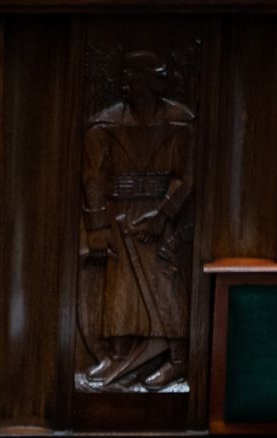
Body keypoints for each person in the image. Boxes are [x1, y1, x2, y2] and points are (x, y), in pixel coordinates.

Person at [80, 50, 194, 390]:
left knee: (166, 284)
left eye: (133, 75)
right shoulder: (105, 124)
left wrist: (164, 214)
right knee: (119, 286)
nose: (125, 83)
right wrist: (97, 227)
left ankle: (176, 360)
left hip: (159, 215)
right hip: (119, 213)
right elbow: (93, 178)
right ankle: (120, 353)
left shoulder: (179, 121)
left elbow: (188, 176)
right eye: (124, 76)